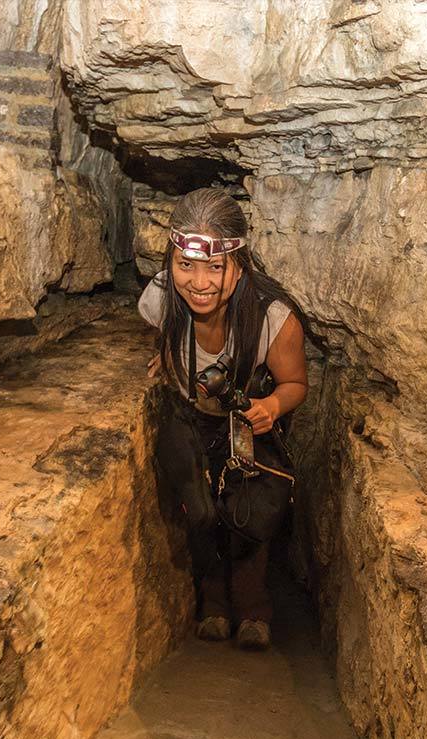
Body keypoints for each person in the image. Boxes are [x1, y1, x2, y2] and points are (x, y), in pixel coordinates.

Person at [138, 187, 307, 651]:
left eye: (215, 266)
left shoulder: (273, 319)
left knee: (248, 511)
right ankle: (212, 601)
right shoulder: (161, 301)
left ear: (240, 263)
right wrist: (167, 352)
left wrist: (272, 406)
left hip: (244, 420)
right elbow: (166, 330)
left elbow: (295, 384)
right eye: (185, 265)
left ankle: (253, 607)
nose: (199, 282)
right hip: (189, 416)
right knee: (198, 507)